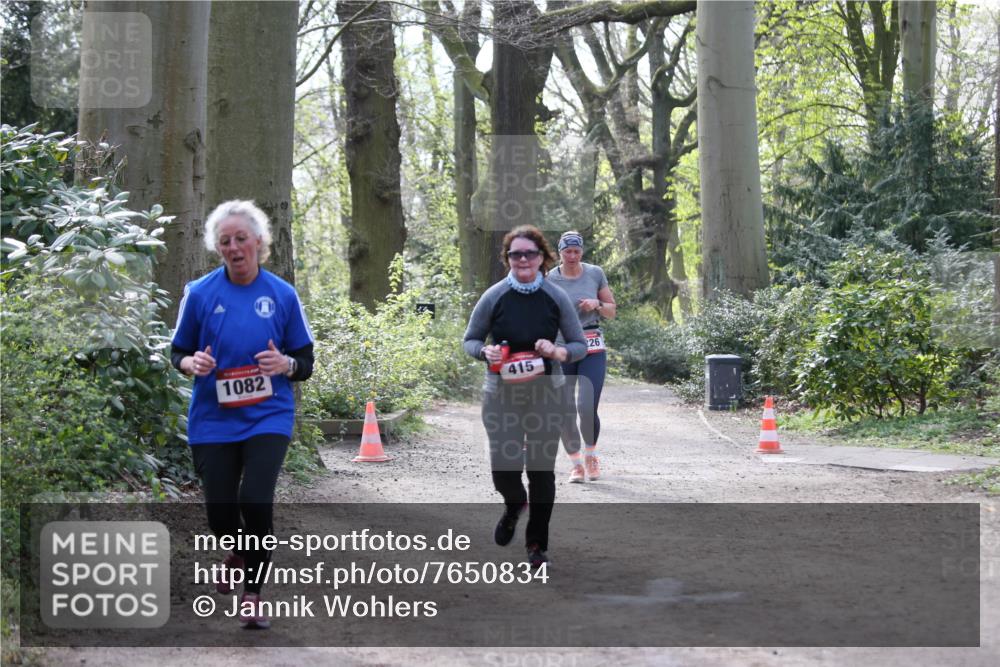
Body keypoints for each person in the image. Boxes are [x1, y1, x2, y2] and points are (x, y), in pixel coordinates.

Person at [171, 200, 314, 629]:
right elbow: (177, 351)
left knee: (255, 498)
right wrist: (190, 364)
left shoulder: (282, 295)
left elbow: (304, 361)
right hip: (213, 418)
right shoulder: (199, 294)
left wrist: (284, 365)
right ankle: (235, 551)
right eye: (225, 241)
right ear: (218, 249)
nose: (234, 247)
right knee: (220, 512)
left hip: (267, 415)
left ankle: (253, 593)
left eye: (241, 239)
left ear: (259, 243)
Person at [463, 225, 587, 568]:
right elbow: (470, 340)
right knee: (505, 471)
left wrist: (558, 352)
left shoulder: (555, 296)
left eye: (529, 254)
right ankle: (513, 504)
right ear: (507, 259)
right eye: (515, 254)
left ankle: (536, 546)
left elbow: (578, 344)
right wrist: (484, 352)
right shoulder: (494, 296)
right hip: (501, 395)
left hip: (546, 394)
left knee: (541, 472)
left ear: (542, 258)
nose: (522, 260)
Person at [547, 230, 616, 483]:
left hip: (591, 345)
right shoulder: (550, 278)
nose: (572, 256)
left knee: (586, 407)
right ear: (560, 253)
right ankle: (576, 465)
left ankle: (591, 456)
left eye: (576, 251)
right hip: (563, 346)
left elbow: (611, 311)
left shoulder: (595, 273)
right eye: (568, 252)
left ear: (582, 252)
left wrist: (596, 305)